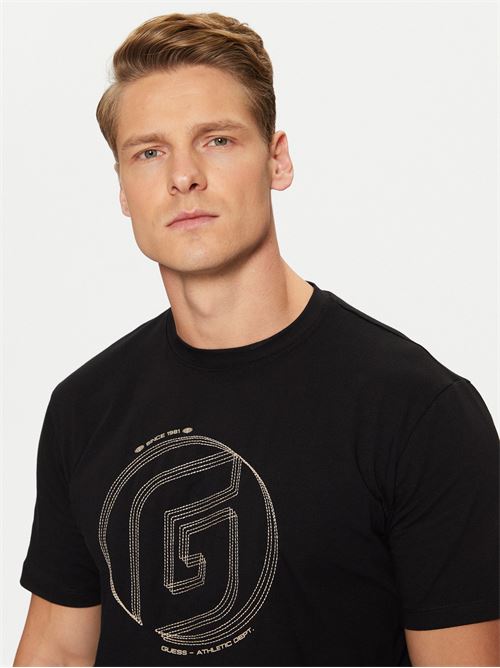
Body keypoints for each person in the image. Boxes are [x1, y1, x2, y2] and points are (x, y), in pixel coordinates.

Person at [13, 11, 499, 668]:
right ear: (123, 190)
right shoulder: (84, 408)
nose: (183, 176)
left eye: (216, 140)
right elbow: (59, 653)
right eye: (149, 152)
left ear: (278, 159)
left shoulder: (418, 412)